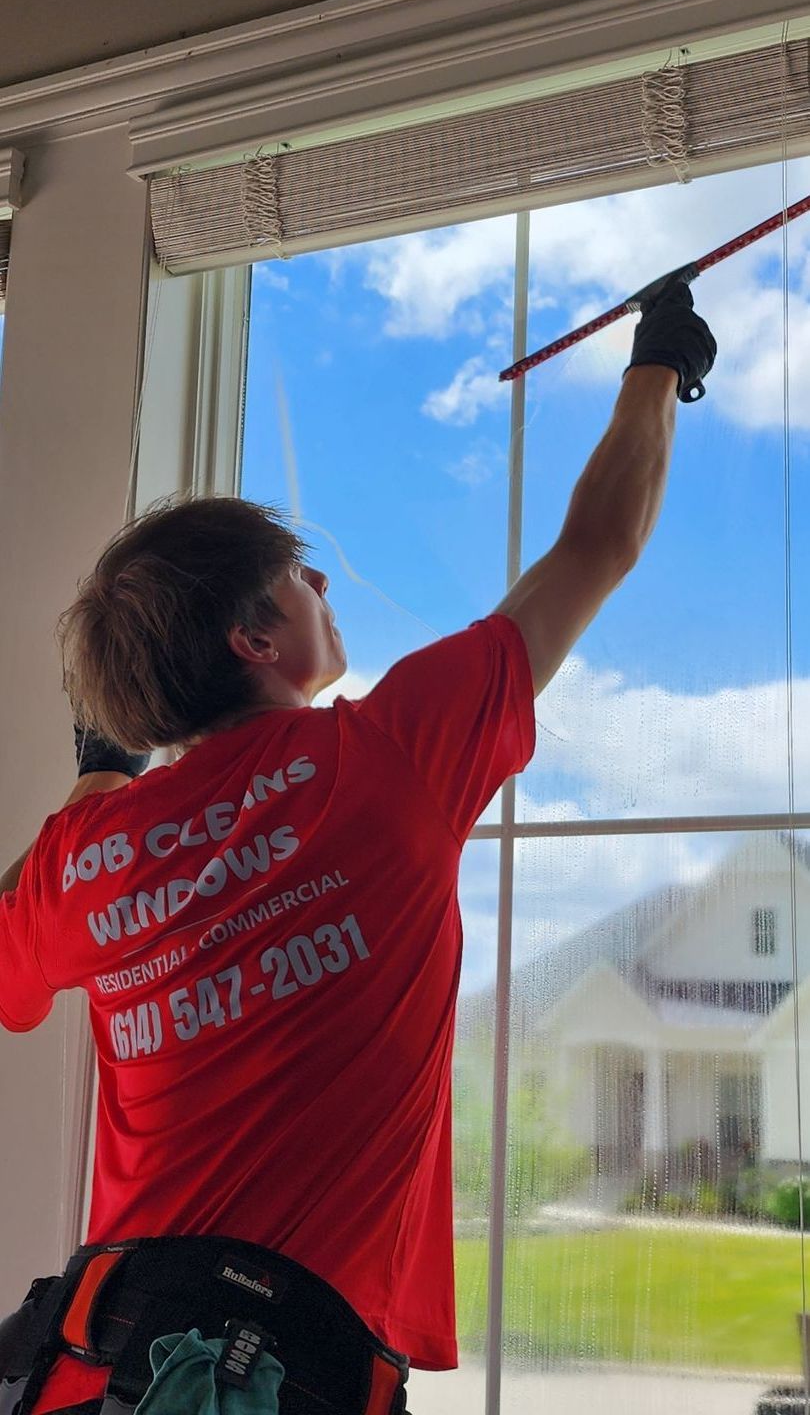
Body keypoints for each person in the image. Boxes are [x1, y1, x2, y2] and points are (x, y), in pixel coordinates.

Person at [0, 277, 715, 1415]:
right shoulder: (391, 753)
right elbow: (597, 544)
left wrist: (102, 771)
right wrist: (659, 367)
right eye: (297, 576)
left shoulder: (85, 854)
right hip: (282, 1373)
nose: (325, 582)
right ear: (254, 638)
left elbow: (25, 930)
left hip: (93, 1371)